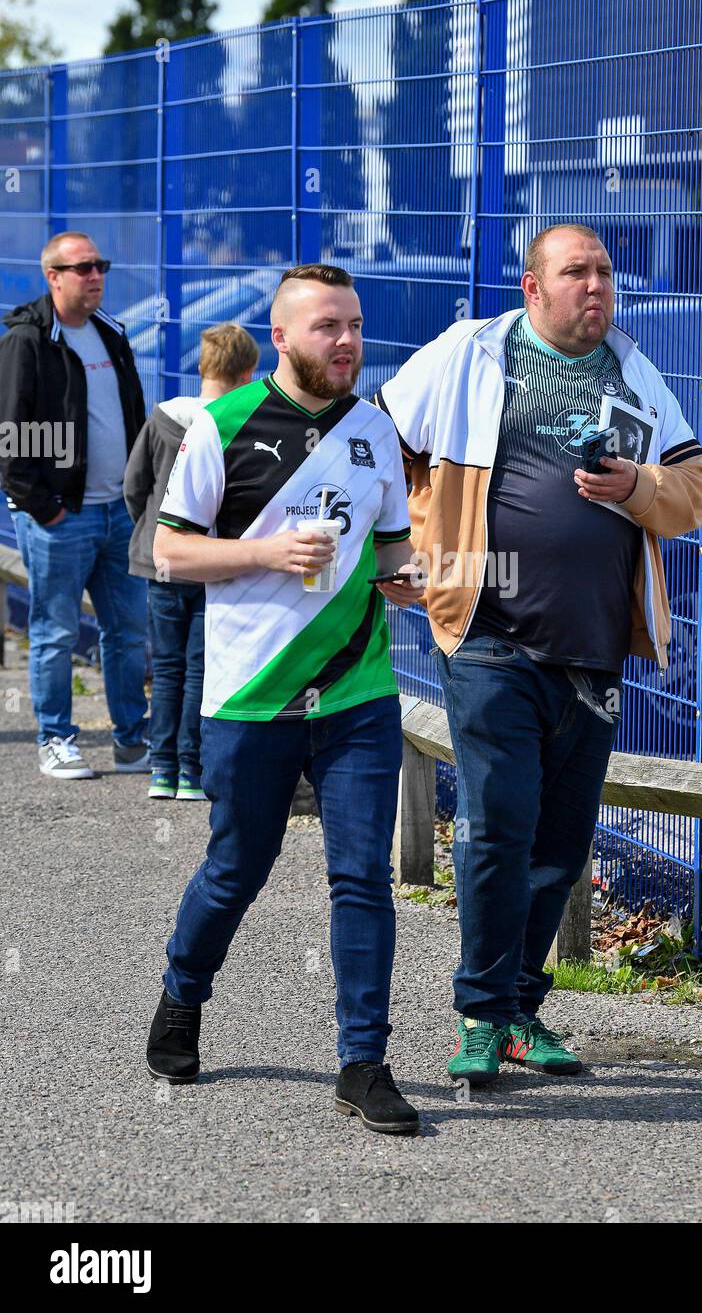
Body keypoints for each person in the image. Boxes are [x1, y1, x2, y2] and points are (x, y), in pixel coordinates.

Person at [375, 223, 702, 1085]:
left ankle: (523, 1005)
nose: (597, 286)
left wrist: (637, 487)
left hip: (594, 650)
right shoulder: (470, 353)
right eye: (577, 273)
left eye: (604, 271)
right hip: (487, 633)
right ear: (534, 288)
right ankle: (482, 1015)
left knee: (560, 844)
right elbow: (378, 441)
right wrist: (396, 551)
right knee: (499, 827)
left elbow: (696, 491)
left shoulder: (633, 371)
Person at [145, 264, 423, 1136]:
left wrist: (409, 583)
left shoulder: (377, 429)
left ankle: (364, 1062)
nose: (346, 341)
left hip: (357, 693)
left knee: (362, 878)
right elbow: (168, 555)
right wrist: (265, 556)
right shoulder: (222, 426)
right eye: (326, 328)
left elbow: (388, 557)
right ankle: (183, 994)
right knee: (238, 868)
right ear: (283, 339)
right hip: (249, 698)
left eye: (354, 324)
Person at [0, 231, 150, 779]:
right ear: (53, 276)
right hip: (61, 518)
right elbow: (9, 436)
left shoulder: (111, 332)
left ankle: (132, 742)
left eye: (100, 265)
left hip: (119, 515)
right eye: (82, 267)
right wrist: (45, 507)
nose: (95, 276)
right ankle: (56, 739)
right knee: (56, 632)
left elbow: (133, 417)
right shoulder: (28, 340)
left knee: (129, 633)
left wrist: (138, 498)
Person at [124, 323, 260, 802]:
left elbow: (133, 486)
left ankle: (160, 767)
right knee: (201, 667)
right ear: (249, 372)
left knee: (165, 666)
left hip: (161, 563)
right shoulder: (238, 422)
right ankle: (190, 768)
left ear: (201, 366)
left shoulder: (162, 417)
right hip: (211, 563)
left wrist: (150, 536)